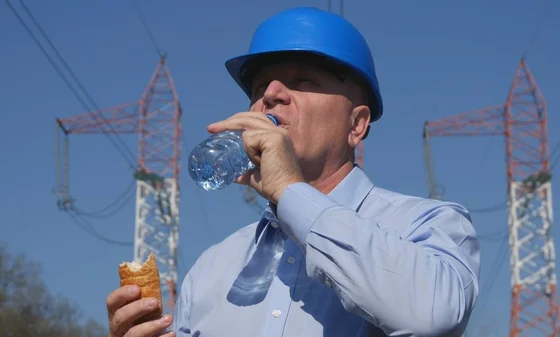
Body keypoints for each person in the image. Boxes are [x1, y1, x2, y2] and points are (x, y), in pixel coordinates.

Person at [105, 6, 480, 337]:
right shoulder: (211, 269)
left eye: (304, 80)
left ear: (357, 125)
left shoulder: (426, 224)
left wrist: (290, 191)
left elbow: (433, 316)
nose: (271, 94)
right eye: (258, 86)